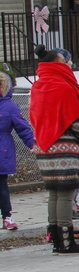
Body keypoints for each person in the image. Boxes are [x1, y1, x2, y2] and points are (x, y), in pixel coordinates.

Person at [29, 46, 79, 254]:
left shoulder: (38, 86)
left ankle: (55, 239)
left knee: (54, 193)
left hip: (44, 146)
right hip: (65, 146)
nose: (70, 65)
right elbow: (77, 120)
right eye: (67, 62)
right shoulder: (63, 86)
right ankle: (67, 241)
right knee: (66, 193)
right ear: (59, 63)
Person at [0, 71, 34, 230]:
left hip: (2, 150)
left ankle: (6, 216)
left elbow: (23, 128)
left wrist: (33, 144)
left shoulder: (9, 106)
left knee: (2, 186)